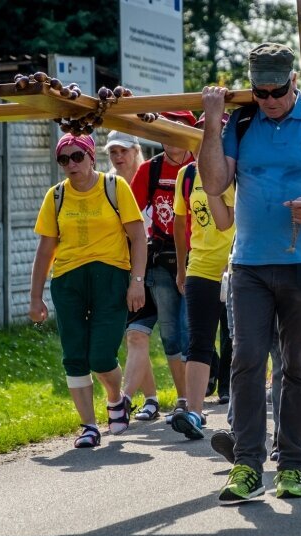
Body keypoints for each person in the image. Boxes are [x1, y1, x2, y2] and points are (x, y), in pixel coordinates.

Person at [200, 43, 301, 502]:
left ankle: (292, 465)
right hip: (249, 263)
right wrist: (211, 122)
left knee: (298, 366)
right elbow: (213, 183)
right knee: (246, 361)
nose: (268, 99)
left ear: (293, 81)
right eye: (260, 91)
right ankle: (247, 465)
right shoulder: (241, 122)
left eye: (277, 90)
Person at [29, 134, 146, 448]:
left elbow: (138, 236)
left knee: (101, 354)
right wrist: (35, 296)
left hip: (111, 277)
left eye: (77, 156)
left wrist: (137, 282)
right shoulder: (55, 196)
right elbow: (45, 250)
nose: (71, 164)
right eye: (64, 159)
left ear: (92, 157)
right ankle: (89, 426)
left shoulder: (114, 187)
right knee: (74, 355)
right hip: (68, 280)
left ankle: (115, 399)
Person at [123, 111, 195, 423]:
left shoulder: (203, 168)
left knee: (193, 332)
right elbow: (129, 217)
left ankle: (197, 401)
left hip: (202, 260)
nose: (171, 139)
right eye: (165, 132)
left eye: (178, 132)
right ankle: (184, 400)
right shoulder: (150, 171)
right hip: (163, 261)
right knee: (170, 333)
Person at [169, 113, 235, 440]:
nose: (208, 137)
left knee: (238, 340)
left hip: (236, 267)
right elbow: (180, 225)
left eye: (216, 131)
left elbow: (241, 219)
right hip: (200, 267)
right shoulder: (186, 174)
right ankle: (194, 412)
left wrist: (236, 261)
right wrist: (182, 268)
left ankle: (240, 411)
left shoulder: (235, 169)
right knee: (199, 340)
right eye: (202, 131)